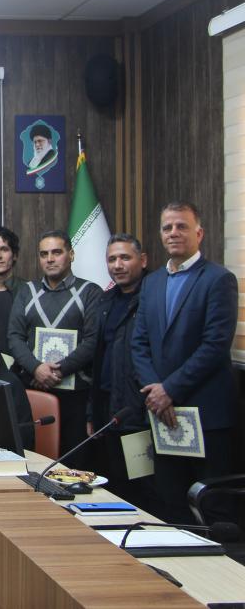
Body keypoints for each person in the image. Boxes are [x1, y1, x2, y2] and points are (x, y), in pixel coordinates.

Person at [131, 202, 238, 524]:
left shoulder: (219, 279)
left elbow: (215, 346)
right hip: (162, 415)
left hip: (205, 415)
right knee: (170, 503)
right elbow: (139, 343)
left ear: (199, 233)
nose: (173, 233)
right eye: (167, 227)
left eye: (182, 226)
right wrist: (155, 391)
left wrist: (170, 390)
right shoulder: (152, 282)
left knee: (211, 509)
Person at [7, 230, 102, 468]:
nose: (49, 259)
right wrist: (36, 368)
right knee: (34, 461)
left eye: (56, 252)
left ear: (71, 254)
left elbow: (93, 341)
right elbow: (15, 336)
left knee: (73, 465)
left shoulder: (90, 292)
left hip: (76, 395)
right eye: (44, 254)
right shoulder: (27, 291)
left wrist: (58, 370)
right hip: (33, 389)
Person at [89, 234, 156, 511]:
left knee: (144, 491)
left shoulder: (154, 295)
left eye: (125, 258)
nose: (117, 265)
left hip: (141, 410)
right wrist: (92, 413)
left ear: (143, 260)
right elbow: (97, 359)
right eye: (112, 259)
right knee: (115, 488)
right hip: (109, 409)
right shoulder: (105, 301)